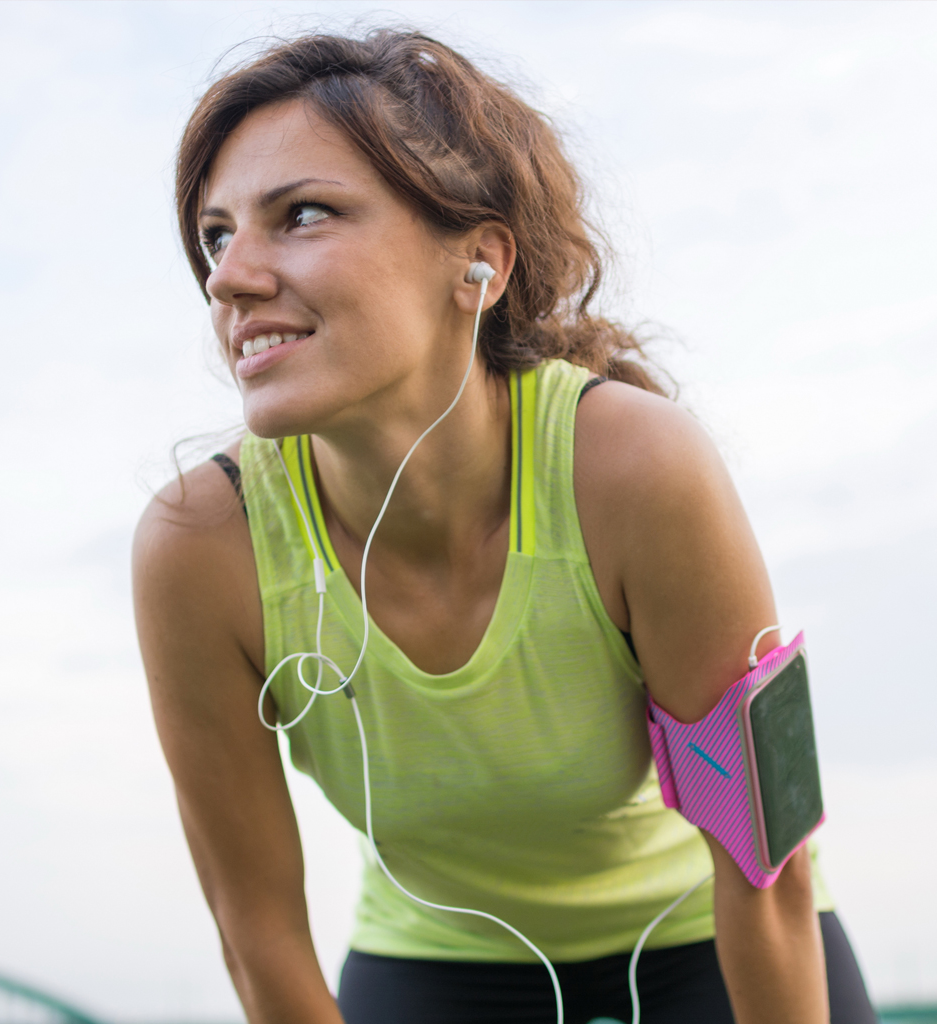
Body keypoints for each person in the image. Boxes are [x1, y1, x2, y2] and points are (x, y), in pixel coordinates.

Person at [132, 29, 876, 1024]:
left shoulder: (640, 468)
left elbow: (764, 865)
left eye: (301, 215)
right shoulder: (197, 546)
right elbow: (255, 928)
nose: (230, 276)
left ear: (477, 261)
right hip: (435, 969)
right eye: (217, 235)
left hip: (714, 936)